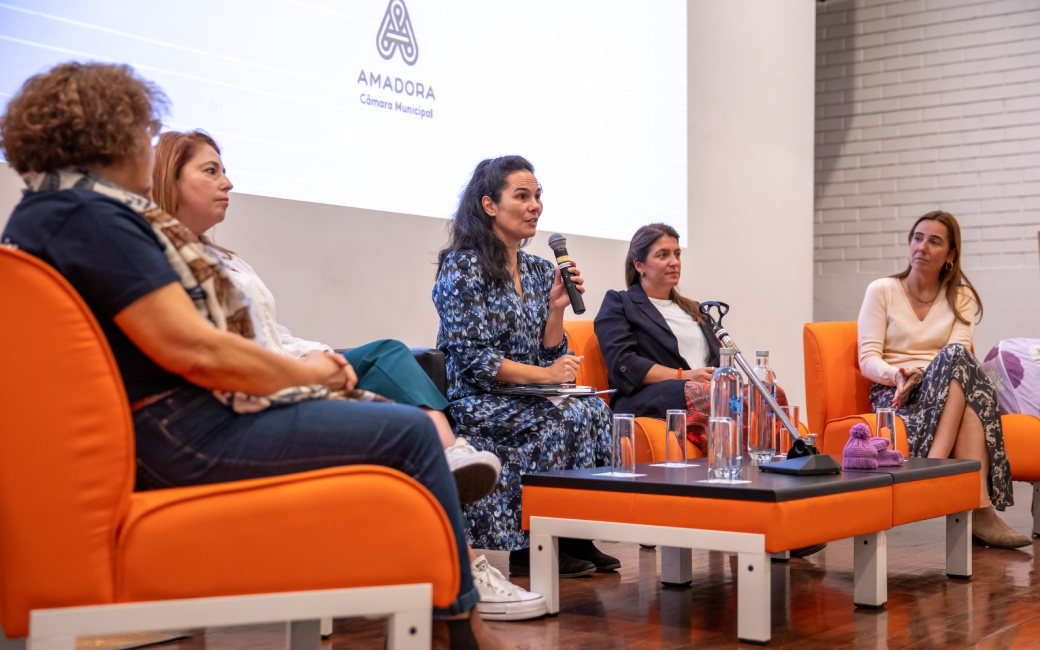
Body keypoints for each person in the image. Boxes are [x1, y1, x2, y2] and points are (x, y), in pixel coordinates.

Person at [0, 61, 517, 647]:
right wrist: (310, 374)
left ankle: (446, 609)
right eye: (145, 130)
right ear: (110, 133)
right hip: (179, 432)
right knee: (411, 435)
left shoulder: (49, 213)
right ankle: (460, 627)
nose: (149, 142)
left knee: (402, 428)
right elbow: (190, 344)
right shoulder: (90, 217)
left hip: (161, 426)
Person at [149, 129, 543, 622]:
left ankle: (451, 479)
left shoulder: (223, 258)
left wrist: (319, 355)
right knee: (410, 429)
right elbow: (222, 349)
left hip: (286, 369)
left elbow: (269, 331)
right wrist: (304, 368)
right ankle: (461, 575)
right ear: (168, 179)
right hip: (259, 391)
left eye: (225, 169)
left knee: (386, 355)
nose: (227, 182)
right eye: (211, 171)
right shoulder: (163, 258)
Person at [433, 155, 615, 579]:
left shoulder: (538, 269)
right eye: (522, 196)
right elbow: (475, 360)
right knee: (557, 417)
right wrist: (547, 379)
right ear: (489, 205)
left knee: (591, 410)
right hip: (477, 398)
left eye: (538, 196)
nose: (535, 205)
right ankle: (532, 545)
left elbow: (548, 355)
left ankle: (574, 534)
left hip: (527, 392)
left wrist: (556, 311)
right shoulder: (463, 267)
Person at [594, 223, 823, 560]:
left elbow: (719, 361)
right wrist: (684, 375)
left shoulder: (696, 309)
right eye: (662, 255)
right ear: (639, 264)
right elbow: (623, 363)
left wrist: (721, 377)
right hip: (650, 395)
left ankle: (787, 511)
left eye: (677, 254)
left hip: (703, 390)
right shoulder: (620, 304)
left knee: (771, 394)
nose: (674, 261)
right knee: (706, 395)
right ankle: (740, 513)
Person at [858, 210, 1029, 549]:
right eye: (917, 238)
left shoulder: (960, 297)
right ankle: (978, 509)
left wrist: (928, 371)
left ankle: (938, 472)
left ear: (950, 255)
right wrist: (899, 375)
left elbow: (957, 351)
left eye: (934, 241)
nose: (921, 247)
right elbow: (868, 359)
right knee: (968, 390)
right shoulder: (882, 290)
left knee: (958, 363)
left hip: (944, 383)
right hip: (896, 392)